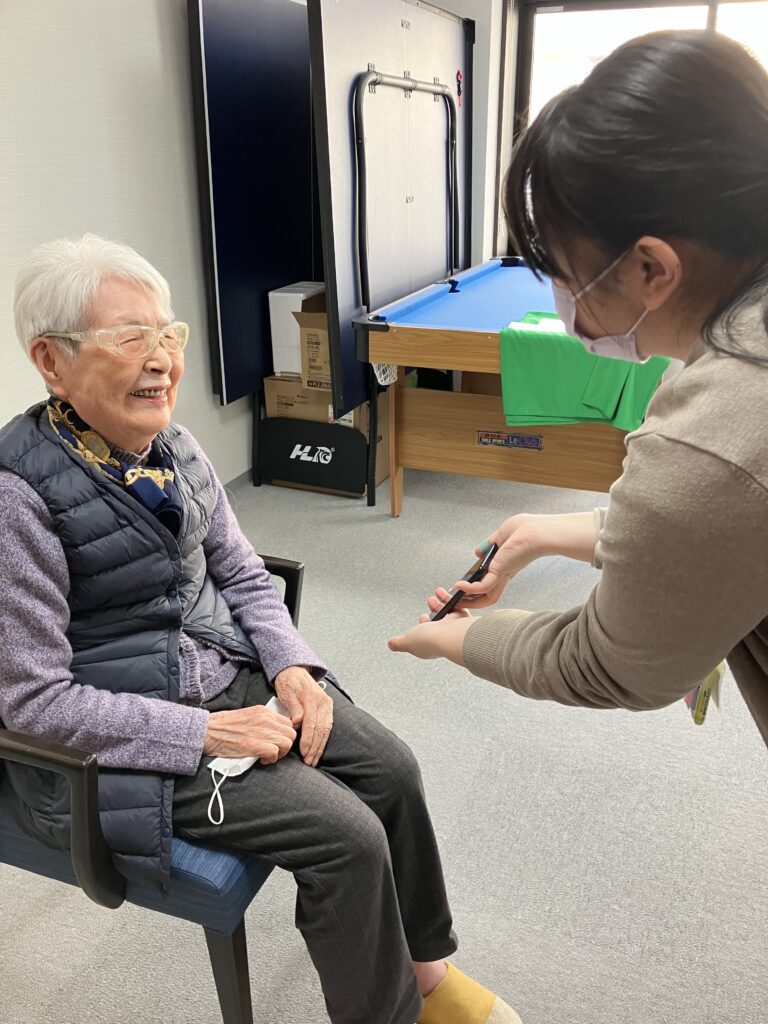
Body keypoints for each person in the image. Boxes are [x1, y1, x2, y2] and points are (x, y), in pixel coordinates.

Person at [0, 234, 521, 1024]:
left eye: (168, 334)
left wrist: (291, 669)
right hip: (121, 739)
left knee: (392, 768)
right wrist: (204, 733)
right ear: (52, 360)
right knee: (346, 838)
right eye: (132, 337)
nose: (163, 360)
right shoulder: (18, 502)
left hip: (219, 672)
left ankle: (427, 975)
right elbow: (33, 704)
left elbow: (243, 574)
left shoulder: (174, 447)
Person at [390, 30, 768, 752]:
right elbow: (729, 524)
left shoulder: (711, 434)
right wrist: (546, 532)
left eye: (565, 274)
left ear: (652, 269)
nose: (564, 302)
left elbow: (610, 663)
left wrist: (458, 638)